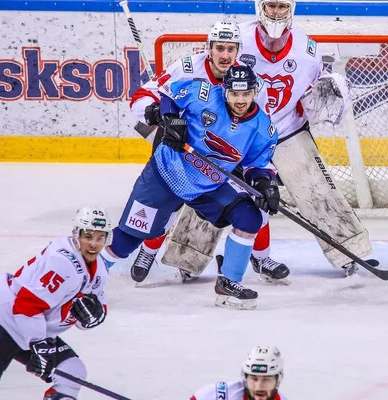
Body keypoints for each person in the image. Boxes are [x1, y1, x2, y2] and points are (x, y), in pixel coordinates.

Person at [162, 0, 373, 280]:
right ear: (260, 8)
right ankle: (187, 257)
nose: (276, 12)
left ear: (292, 9)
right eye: (270, 6)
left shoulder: (308, 51)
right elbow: (206, 73)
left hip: (287, 130)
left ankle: (350, 251)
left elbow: (315, 99)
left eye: (281, 6)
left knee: (316, 187)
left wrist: (330, 93)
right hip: (236, 133)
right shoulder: (238, 40)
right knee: (208, 187)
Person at [104, 64, 279, 310]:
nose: (240, 100)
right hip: (166, 172)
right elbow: (168, 95)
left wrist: (264, 184)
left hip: (207, 185)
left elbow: (256, 165)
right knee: (129, 237)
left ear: (254, 92)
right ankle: (87, 279)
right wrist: (169, 117)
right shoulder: (202, 94)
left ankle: (228, 284)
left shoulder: (263, 128)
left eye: (246, 94)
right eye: (234, 94)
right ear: (225, 90)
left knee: (249, 218)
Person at [0, 207, 114, 400]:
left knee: (72, 372)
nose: (93, 244)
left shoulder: (100, 270)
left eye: (100, 238)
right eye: (88, 236)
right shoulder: (61, 262)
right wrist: (39, 346)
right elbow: (26, 305)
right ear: (77, 235)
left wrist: (95, 316)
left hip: (32, 330)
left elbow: (96, 308)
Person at [190, 345, 289, 400]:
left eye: (266, 379)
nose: (259, 387)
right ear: (245, 379)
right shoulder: (222, 394)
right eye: (254, 379)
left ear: (278, 381)